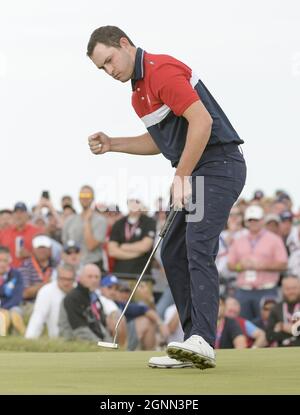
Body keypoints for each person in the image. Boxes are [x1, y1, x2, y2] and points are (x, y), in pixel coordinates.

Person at [86, 25, 246, 369]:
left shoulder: (161, 70)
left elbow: (201, 122)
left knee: (198, 245)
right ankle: (193, 343)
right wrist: (113, 144)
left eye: (110, 60)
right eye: (103, 68)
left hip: (219, 164)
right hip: (198, 169)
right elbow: (162, 142)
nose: (110, 70)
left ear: (125, 44)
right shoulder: (137, 94)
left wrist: (181, 175)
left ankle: (203, 338)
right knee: (172, 250)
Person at [228, 205, 287, 321]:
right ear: (246, 222)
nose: (253, 222)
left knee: (269, 325)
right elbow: (230, 265)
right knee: (243, 326)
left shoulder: (275, 239)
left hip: (267, 290)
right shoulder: (238, 240)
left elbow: (283, 264)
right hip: (243, 291)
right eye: (250, 220)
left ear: (262, 220)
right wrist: (241, 266)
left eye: (256, 219)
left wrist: (262, 265)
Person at [59, 264, 122, 343]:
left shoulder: (94, 297)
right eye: (90, 276)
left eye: (96, 277)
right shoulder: (73, 298)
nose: (94, 280)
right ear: (80, 278)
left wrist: (109, 343)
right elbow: (80, 331)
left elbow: (101, 326)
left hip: (96, 344)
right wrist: (103, 345)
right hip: (76, 346)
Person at [62, 185, 107, 271]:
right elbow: (65, 247)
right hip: (72, 267)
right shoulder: (70, 220)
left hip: (92, 266)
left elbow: (91, 246)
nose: (85, 198)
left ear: (93, 198)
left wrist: (87, 221)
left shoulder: (101, 221)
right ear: (78, 198)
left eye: (88, 196)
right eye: (82, 195)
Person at [108, 198, 156, 277]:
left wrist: (123, 246)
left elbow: (145, 246)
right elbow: (112, 251)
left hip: (142, 275)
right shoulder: (119, 223)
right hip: (120, 274)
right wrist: (137, 254)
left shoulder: (149, 222)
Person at [25, 264, 76, 338]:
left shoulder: (79, 292)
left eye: (69, 279)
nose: (66, 283)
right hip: (58, 340)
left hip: (83, 339)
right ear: (57, 278)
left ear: (74, 279)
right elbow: (38, 318)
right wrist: (29, 340)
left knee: (98, 344)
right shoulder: (46, 291)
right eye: (63, 279)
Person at [0, 202, 43, 268]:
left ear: (27, 215)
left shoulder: (37, 231)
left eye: (22, 212)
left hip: (31, 272)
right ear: (13, 215)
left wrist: (29, 255)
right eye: (16, 212)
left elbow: (45, 255)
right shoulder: (3, 233)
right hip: (9, 273)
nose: (18, 215)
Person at [19, 234, 56, 304]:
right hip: (32, 303)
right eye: (39, 247)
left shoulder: (56, 264)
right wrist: (46, 284)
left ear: (50, 249)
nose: (42, 250)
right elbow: (25, 293)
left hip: (53, 302)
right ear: (33, 249)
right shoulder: (25, 265)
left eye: (44, 247)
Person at [266, 275, 300, 347]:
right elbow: (269, 336)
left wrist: (284, 328)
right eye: (287, 289)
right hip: (282, 350)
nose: (291, 292)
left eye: (294, 288)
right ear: (282, 290)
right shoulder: (275, 309)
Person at [0, 246, 25, 336]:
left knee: (15, 312)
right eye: (0, 260)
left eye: (5, 261)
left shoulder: (16, 274)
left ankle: (21, 335)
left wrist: (4, 308)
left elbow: (17, 297)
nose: (2, 264)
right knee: (3, 316)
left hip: (11, 306)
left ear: (9, 261)